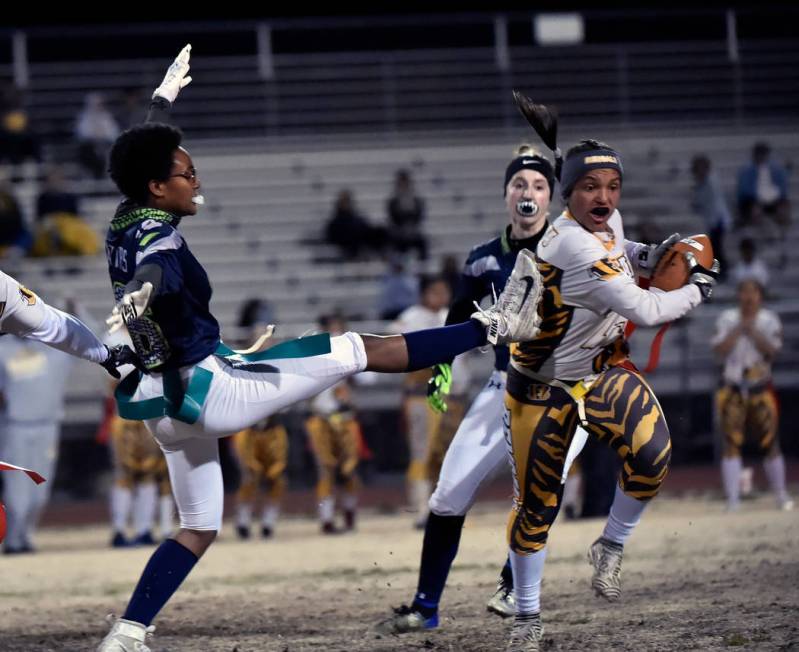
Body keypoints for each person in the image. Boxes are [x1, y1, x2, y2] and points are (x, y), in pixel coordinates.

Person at [96, 45, 541, 652]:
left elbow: (136, 160)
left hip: (167, 408)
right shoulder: (159, 242)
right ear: (156, 186)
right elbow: (156, 270)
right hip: (211, 389)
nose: (196, 179)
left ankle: (126, 633)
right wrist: (133, 305)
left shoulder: (124, 214)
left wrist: (162, 101)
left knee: (198, 526)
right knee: (355, 347)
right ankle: (491, 329)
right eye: (186, 173)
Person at [500, 95, 720, 652]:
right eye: (591, 187)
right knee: (538, 508)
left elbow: (624, 253)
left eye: (612, 187)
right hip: (542, 387)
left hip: (598, 370)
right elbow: (645, 310)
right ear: (569, 193)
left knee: (652, 457)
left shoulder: (604, 224)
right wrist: (696, 287)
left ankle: (611, 546)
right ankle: (526, 618)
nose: (605, 197)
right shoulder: (569, 241)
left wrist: (651, 256)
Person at [378, 144, 589, 633]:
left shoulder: (573, 249)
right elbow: (454, 323)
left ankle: (512, 585)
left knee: (542, 488)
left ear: (551, 198)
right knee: (447, 497)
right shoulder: (481, 260)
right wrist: (442, 370)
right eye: (519, 183)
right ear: (505, 195)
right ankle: (425, 607)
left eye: (538, 185)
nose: (528, 192)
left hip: (563, 390)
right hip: (503, 387)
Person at [711, 279, 791, 512]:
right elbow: (719, 348)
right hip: (733, 387)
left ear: (760, 296)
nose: (748, 297)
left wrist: (752, 329)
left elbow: (773, 350)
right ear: (738, 295)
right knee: (731, 443)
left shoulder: (768, 320)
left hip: (760, 386)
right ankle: (733, 500)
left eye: (752, 292)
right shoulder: (727, 318)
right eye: (744, 291)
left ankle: (781, 494)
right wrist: (740, 327)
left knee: (770, 442)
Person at [388, 276, 454, 528]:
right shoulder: (411, 317)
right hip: (422, 394)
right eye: (436, 292)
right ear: (425, 294)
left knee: (445, 453)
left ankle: (442, 506)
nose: (441, 297)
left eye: (444, 292)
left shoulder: (450, 314)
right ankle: (421, 509)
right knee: (422, 451)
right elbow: (393, 349)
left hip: (451, 395)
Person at [0, 334, 73, 554]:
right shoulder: (2, 348)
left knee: (40, 488)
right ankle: (13, 539)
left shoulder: (53, 348)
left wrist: (74, 306)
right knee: (17, 488)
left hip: (48, 425)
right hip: (15, 426)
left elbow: (90, 338)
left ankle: (26, 535)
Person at [0, 269, 134, 377]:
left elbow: (58, 327)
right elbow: (58, 327)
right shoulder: (7, 294)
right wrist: (106, 356)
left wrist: (106, 356)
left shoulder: (7, 294)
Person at [305, 314, 364, 534]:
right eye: (331, 330)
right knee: (326, 470)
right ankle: (327, 519)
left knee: (349, 469)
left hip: (346, 419)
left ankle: (350, 515)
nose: (336, 334)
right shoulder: (313, 357)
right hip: (322, 418)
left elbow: (369, 378)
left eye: (339, 329)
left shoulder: (353, 353)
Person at [690, 154, 731, 277]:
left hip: (718, 221)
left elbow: (713, 205)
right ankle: (717, 271)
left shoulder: (711, 183)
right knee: (714, 247)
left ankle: (722, 271)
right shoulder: (702, 184)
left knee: (716, 247)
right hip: (712, 221)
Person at [387, 168, 428, 260]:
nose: (404, 185)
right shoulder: (393, 201)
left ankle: (422, 265)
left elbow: (419, 216)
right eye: (401, 182)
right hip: (399, 232)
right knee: (396, 241)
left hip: (412, 231)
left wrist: (411, 226)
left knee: (422, 242)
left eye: (405, 182)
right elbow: (393, 217)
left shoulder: (416, 200)